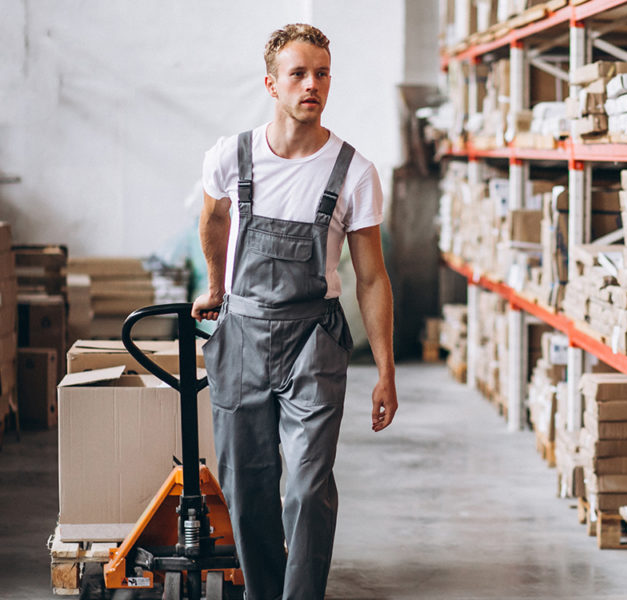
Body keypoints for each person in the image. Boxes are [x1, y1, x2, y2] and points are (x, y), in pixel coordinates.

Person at [191, 23, 398, 600]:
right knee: (247, 486)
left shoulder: (353, 171)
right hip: (242, 334)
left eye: (322, 74)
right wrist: (215, 285)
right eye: (299, 74)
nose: (313, 84)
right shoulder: (230, 156)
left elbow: (373, 277)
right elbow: (212, 220)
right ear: (271, 84)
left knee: (307, 488)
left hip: (314, 339)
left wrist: (385, 369)